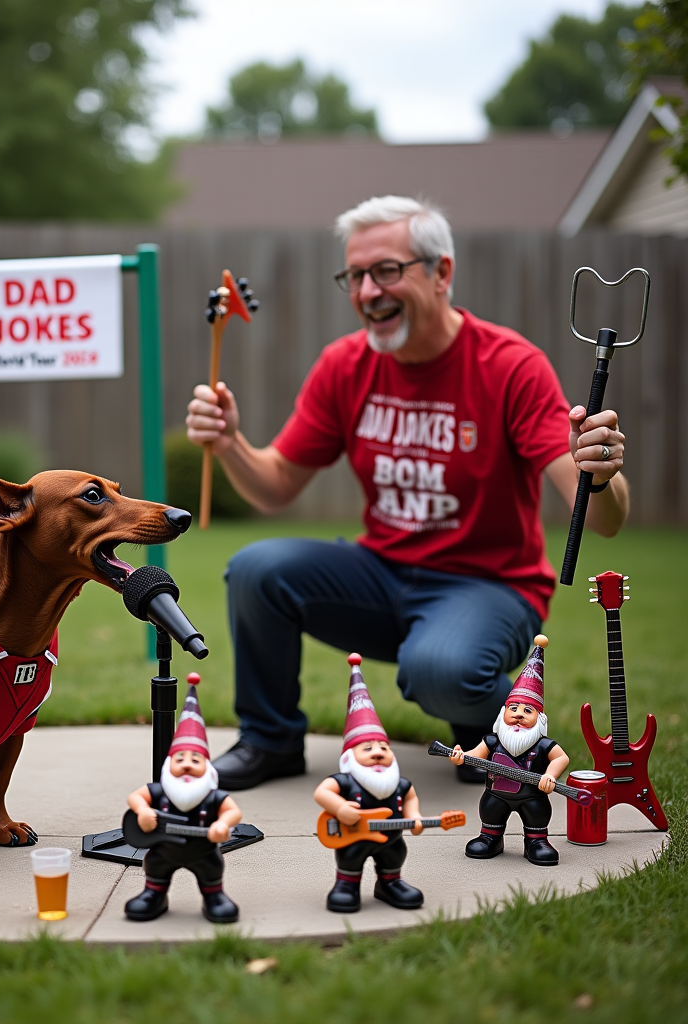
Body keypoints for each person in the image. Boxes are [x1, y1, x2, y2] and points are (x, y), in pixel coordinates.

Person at [185, 195, 629, 791]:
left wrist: (600, 472)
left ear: (442, 272)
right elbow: (275, 486)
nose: (368, 290)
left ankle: (505, 735)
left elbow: (601, 519)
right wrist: (232, 442)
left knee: (440, 670)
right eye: (356, 276)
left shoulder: (509, 366)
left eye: (387, 270)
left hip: (487, 584)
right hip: (381, 573)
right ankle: (270, 739)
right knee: (258, 569)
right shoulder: (344, 365)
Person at [124, 675, 242, 923]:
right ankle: (154, 894)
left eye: (195, 760)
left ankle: (214, 896)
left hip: (204, 851)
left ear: (208, 768)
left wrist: (222, 824)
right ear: (169, 765)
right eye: (180, 760)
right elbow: (135, 797)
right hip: (164, 851)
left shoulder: (211, 796)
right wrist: (144, 811)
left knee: (210, 870)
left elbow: (233, 811)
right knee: (156, 867)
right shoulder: (160, 791)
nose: (187, 765)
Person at [313, 653, 425, 913]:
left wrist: (415, 816)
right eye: (368, 748)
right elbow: (322, 792)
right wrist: (340, 809)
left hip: (391, 837)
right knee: (351, 858)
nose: (377, 752)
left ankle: (390, 882)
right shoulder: (346, 781)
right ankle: (346, 885)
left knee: (395, 854)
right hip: (354, 837)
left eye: (383, 747)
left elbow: (410, 798)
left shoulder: (399, 784)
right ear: (350, 757)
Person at [448, 635, 568, 865]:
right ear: (503, 713)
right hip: (496, 794)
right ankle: (490, 837)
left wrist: (550, 775)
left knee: (536, 813)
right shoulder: (493, 741)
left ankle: (536, 841)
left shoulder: (542, 745)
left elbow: (561, 757)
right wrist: (462, 757)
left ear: (540, 719)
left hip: (532, 796)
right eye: (513, 708)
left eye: (527, 710)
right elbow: (477, 755)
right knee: (491, 810)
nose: (519, 714)